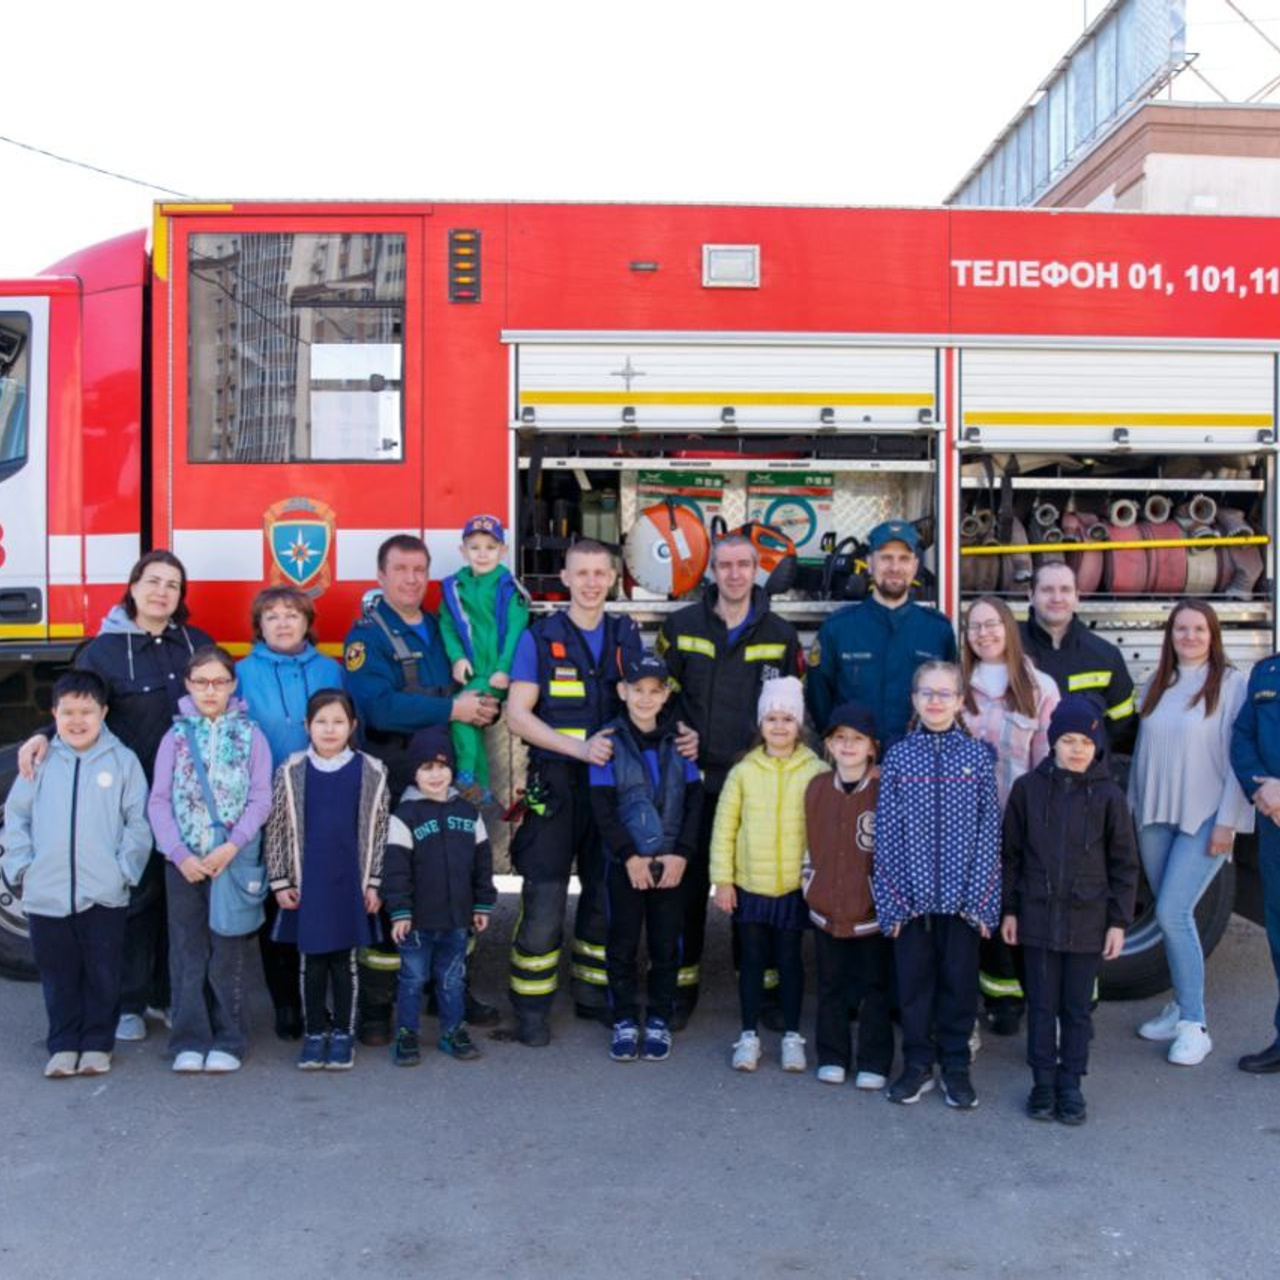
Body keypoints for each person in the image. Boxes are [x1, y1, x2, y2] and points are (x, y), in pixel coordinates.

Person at [15, 550, 214, 1044]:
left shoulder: (197, 644)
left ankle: (168, 997)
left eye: (172, 585)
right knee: (132, 900)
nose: (161, 592)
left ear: (180, 597)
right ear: (132, 587)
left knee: (180, 903)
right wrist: (44, 733)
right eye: (152, 582)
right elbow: (79, 705)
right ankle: (128, 1002)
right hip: (125, 796)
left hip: (187, 801)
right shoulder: (103, 650)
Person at [343, 533, 500, 1042]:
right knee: (396, 888)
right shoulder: (366, 637)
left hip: (443, 774)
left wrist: (481, 703)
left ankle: (448, 988)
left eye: (419, 570)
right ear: (381, 577)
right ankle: (377, 1005)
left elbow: (464, 683)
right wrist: (452, 709)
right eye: (400, 569)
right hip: (392, 774)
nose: (411, 579)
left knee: (449, 882)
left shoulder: (439, 627)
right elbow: (377, 707)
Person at [505, 539, 658, 1045]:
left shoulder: (625, 635)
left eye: (600, 573)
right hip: (558, 785)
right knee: (545, 897)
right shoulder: (540, 637)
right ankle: (530, 1008)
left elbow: (646, 702)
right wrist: (579, 751)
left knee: (601, 895)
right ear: (564, 579)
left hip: (611, 790)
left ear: (613, 578)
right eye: (582, 573)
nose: (592, 582)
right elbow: (518, 716)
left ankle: (592, 993)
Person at [657, 531, 804, 1028]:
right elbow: (659, 695)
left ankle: (759, 990)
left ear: (756, 570)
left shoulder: (781, 635)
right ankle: (681, 988)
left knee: (754, 888)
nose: (735, 574)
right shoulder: (680, 626)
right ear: (712, 571)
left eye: (744, 564)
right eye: (726, 565)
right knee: (688, 890)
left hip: (755, 783)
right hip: (696, 780)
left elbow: (790, 708)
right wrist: (678, 729)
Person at [1, 671, 151, 1078]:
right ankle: (63, 1044)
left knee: (103, 972)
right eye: (68, 712)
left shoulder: (122, 762)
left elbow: (138, 823)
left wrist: (124, 872)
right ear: (54, 714)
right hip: (45, 893)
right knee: (58, 974)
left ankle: (97, 1044)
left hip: (104, 892)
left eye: (87, 711)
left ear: (103, 712)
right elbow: (16, 817)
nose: (78, 720)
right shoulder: (40, 760)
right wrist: (20, 868)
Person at [1001, 696, 1139, 1125]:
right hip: (1037, 918)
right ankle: (1043, 1083)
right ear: (1052, 742)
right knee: (1041, 1005)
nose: (1076, 749)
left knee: (1076, 1009)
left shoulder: (1109, 796)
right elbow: (1011, 856)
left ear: (1096, 745)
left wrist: (1118, 921)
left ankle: (1071, 1085)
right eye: (1067, 740)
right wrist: (1010, 910)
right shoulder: (1028, 790)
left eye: (1084, 741)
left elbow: (1124, 864)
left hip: (1087, 921)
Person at [1128, 600, 1253, 1067]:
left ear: (1213, 634)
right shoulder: (1158, 683)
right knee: (1169, 917)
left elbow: (1241, 758)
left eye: (1199, 629)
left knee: (1173, 911)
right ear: (1170, 635)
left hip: (1204, 819)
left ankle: (1195, 1025)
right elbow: (1144, 751)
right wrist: (1131, 810)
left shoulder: (1231, 684)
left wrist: (1229, 822)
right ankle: (1179, 1004)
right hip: (1155, 817)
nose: (1190, 637)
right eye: (1181, 629)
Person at [873, 660, 1000, 1109]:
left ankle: (956, 1066)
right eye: (927, 693)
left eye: (945, 694)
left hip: (962, 903)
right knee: (913, 988)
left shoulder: (977, 757)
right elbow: (886, 834)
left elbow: (989, 833)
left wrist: (982, 902)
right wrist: (892, 902)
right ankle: (917, 1063)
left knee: (959, 988)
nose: (935, 701)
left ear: (960, 702)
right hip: (912, 904)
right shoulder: (900, 758)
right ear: (914, 700)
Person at [147, 646, 273, 1074]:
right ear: (187, 685)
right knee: (187, 952)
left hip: (231, 861)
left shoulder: (252, 736)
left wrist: (232, 845)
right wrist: (178, 853)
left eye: (219, 682)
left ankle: (229, 1038)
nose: (210, 690)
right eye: (201, 682)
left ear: (233, 685)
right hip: (183, 864)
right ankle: (188, 1039)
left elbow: (261, 798)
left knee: (228, 952)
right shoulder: (175, 737)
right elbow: (159, 800)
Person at [236, 585, 346, 1042]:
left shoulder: (330, 670)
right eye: (272, 616)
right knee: (276, 903)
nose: (283, 623)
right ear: (259, 626)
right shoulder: (240, 672)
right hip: (265, 802)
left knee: (320, 900)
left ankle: (318, 995)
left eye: (292, 614)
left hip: (321, 796)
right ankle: (285, 1001)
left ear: (307, 622)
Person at [264, 689, 390, 1071]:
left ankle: (344, 1035)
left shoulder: (371, 770)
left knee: (345, 963)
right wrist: (281, 879)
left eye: (338, 722)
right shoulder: (291, 770)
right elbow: (278, 829)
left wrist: (373, 882)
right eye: (321, 721)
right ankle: (315, 1032)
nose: (329, 729)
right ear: (307, 726)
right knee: (312, 963)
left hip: (349, 882)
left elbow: (379, 829)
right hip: (309, 883)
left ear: (352, 726)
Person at [589, 653, 704, 1063]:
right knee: (621, 943)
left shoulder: (681, 742)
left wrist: (681, 856)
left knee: (665, 945)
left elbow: (693, 803)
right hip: (627, 865)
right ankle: (623, 1017)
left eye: (655, 691)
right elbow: (602, 807)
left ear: (666, 694)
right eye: (637, 690)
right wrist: (629, 857)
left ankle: (658, 1017)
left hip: (671, 863)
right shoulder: (607, 742)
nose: (645, 698)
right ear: (622, 692)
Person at [710, 676, 827, 1074]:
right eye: (772, 718)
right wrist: (723, 880)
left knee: (791, 961)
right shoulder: (744, 771)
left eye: (788, 719)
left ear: (801, 726)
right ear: (760, 724)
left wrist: (819, 881)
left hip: (794, 886)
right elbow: (724, 827)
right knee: (753, 962)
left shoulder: (815, 770)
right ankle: (748, 1035)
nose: (779, 726)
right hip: (751, 886)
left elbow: (825, 828)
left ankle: (793, 1036)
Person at [960, 595, 1060, 1037]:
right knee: (975, 914)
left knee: (1014, 912)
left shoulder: (1040, 688)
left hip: (1016, 822)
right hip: (964, 826)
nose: (984, 633)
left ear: (1009, 628)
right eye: (975, 626)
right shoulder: (955, 685)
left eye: (992, 624)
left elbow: (1047, 765)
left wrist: (1039, 826)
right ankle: (994, 997)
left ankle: (1016, 998)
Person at [383, 727, 497, 1067]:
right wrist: (400, 911)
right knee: (413, 978)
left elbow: (483, 862)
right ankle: (406, 1034)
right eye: (426, 768)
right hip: (417, 920)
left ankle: (453, 1031)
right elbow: (396, 870)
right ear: (414, 772)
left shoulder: (468, 813)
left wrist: (483, 903)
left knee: (451, 978)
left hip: (457, 918)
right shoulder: (404, 816)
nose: (435, 775)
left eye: (442, 766)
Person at [802, 700, 894, 1090]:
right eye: (840, 738)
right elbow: (808, 842)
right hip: (827, 905)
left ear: (872, 746)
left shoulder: (886, 787)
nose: (848, 746)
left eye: (857, 739)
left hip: (871, 910)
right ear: (828, 745)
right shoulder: (817, 787)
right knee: (831, 985)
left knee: (876, 988)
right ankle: (833, 1055)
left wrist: (888, 898)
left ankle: (874, 1060)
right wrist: (811, 883)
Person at [806, 519, 956, 745]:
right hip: (856, 767)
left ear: (915, 566)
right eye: (886, 558)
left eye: (904, 559)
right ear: (869, 563)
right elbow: (819, 702)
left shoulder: (938, 630)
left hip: (917, 769)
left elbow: (950, 700)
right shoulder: (838, 629)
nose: (895, 567)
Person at [437, 514, 530, 803]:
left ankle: (466, 772)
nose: (482, 554)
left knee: (461, 717)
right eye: (475, 547)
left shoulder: (508, 588)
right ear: (463, 552)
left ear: (502, 551)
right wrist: (456, 658)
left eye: (490, 547)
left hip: (497, 674)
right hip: (473, 672)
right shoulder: (456, 588)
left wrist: (504, 669)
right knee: (472, 721)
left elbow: (516, 630)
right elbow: (447, 625)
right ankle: (484, 787)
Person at [1020, 561, 1137, 752]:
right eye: (1047, 590)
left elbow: (1122, 724)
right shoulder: (1008, 649)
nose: (1057, 598)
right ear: (1031, 595)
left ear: (1077, 597)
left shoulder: (1105, 655)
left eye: (1065, 590)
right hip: (1023, 773)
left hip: (1083, 774)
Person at [1230, 650, 1280, 1074]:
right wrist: (1259, 789)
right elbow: (1242, 736)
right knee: (1279, 936)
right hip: (1274, 823)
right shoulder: (1266, 671)